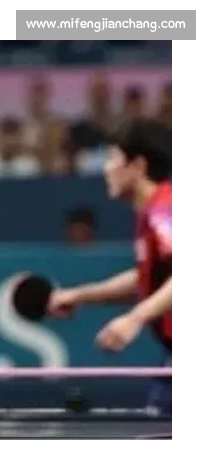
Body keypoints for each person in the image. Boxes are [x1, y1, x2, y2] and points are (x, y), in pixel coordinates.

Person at [48, 119, 173, 413]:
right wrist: (77, 296)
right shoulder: (155, 212)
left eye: (112, 159)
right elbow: (147, 278)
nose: (106, 169)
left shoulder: (164, 211)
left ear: (137, 166)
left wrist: (134, 319)